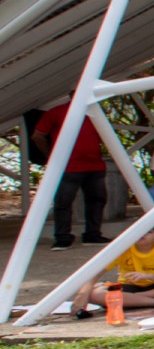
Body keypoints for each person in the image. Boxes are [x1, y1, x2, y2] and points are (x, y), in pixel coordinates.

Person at [70, 227, 154, 319]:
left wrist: (149, 276)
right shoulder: (123, 247)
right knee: (95, 293)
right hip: (129, 286)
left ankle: (134, 299)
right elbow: (95, 271)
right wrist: (83, 294)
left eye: (149, 231)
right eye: (139, 230)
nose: (142, 234)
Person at [30, 100, 109, 248]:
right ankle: (63, 237)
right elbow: (37, 135)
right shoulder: (56, 112)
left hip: (94, 165)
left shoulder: (94, 112)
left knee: (97, 200)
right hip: (68, 167)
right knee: (63, 203)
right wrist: (51, 156)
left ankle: (92, 234)